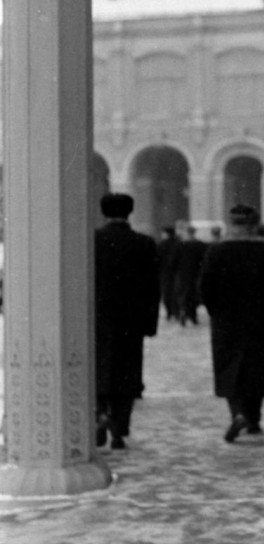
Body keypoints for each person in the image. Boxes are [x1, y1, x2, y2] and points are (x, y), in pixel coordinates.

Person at [199, 203, 264, 442]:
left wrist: (215, 310)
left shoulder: (217, 251)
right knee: (257, 366)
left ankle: (237, 413)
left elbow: (205, 287)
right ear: (254, 225)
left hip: (226, 319)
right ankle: (254, 419)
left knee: (228, 366)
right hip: (258, 318)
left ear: (231, 224)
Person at [95, 193, 160, 450]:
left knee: (98, 369)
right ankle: (119, 428)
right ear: (130, 211)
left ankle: (99, 414)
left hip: (98, 319)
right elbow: (152, 288)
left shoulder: (92, 241)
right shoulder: (143, 243)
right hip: (131, 321)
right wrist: (150, 323)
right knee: (127, 372)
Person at [174, 224, 208, 326]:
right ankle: (192, 315)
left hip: (183, 274)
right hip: (196, 273)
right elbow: (204, 260)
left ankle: (183, 310)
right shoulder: (201, 245)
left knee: (183, 294)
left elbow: (174, 261)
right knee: (193, 295)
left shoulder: (180, 245)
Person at [156, 225, 181, 321]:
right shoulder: (179, 243)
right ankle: (177, 310)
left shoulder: (162, 244)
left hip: (165, 272)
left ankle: (169, 312)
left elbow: (157, 259)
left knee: (167, 293)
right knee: (176, 291)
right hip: (177, 272)